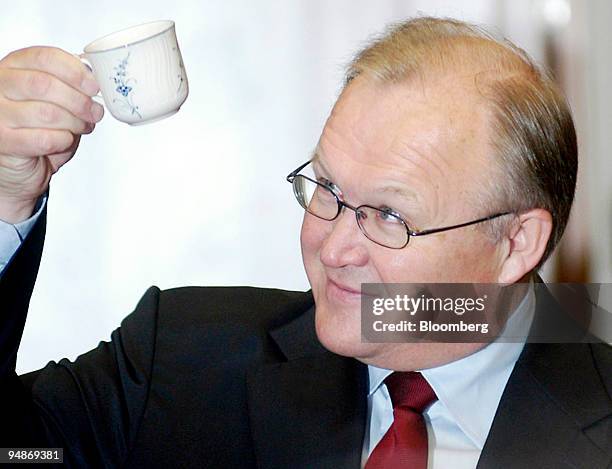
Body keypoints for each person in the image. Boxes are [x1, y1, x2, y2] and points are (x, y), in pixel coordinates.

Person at [0, 16, 610, 469]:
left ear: (517, 243)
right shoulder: (182, 362)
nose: (335, 247)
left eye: (389, 216)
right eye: (328, 190)